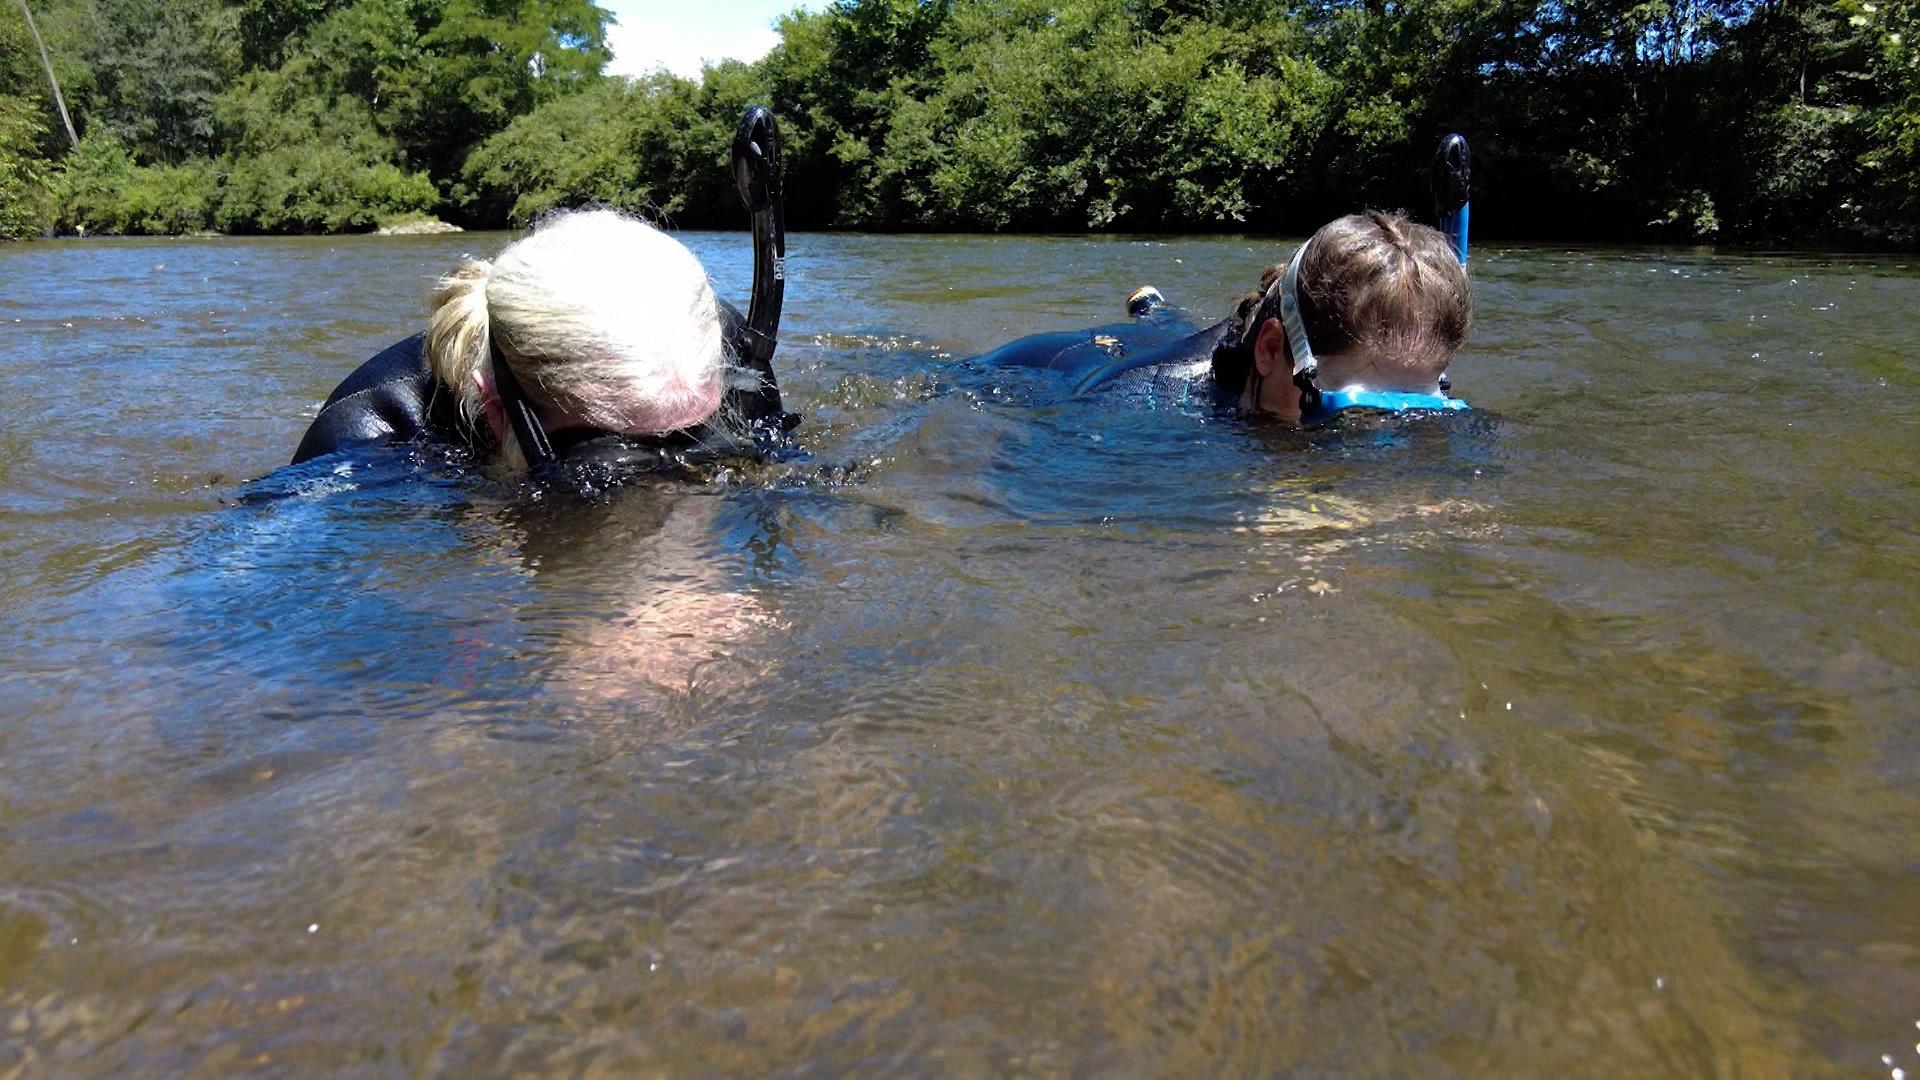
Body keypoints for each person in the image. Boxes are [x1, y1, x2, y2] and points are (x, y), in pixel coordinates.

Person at [291, 106, 793, 476]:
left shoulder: (723, 351)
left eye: (693, 434)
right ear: (495, 406)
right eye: (600, 451)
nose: (661, 473)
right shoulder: (371, 433)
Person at [975, 209, 1472, 422]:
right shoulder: (1137, 401)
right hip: (1077, 364)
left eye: (1420, 409)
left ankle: (1154, 311)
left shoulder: (1317, 371)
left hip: (1229, 353)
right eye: (1353, 415)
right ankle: (1150, 315)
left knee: (1174, 329)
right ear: (1273, 349)